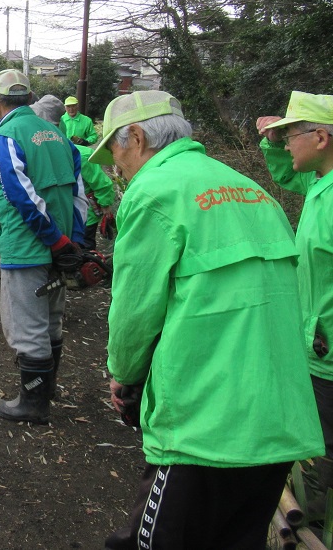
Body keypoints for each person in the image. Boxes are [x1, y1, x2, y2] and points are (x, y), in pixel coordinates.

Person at [90, 90, 323, 550]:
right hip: (278, 420)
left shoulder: (155, 193)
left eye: (114, 153)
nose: (115, 169)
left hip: (204, 426)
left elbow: (135, 309)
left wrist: (123, 375)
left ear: (135, 137)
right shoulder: (253, 192)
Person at [0, 70, 87, 425]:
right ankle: (48, 388)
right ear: (30, 98)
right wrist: (72, 242)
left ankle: (33, 403)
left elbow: (19, 195)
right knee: (52, 319)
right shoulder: (59, 136)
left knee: (26, 324)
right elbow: (78, 192)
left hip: (27, 248)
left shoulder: (6, 137)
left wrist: (55, 241)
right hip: (62, 245)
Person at [257, 91, 333, 517]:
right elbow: (287, 172)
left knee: (322, 456)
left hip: (329, 356)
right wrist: (272, 138)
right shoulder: (320, 182)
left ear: (320, 137)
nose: (286, 143)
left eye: (292, 135)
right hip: (316, 346)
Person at [31, 94, 116, 249]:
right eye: (68, 106)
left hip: (81, 215)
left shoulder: (80, 154)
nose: (71, 109)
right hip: (64, 215)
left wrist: (105, 205)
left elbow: (102, 184)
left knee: (84, 247)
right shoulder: (52, 153)